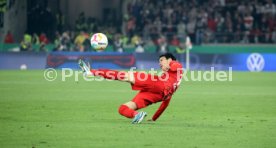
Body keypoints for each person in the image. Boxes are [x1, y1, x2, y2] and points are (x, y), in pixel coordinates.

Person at [78, 53, 183, 124]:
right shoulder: (175, 82)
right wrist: (154, 118)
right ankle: (137, 115)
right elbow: (165, 103)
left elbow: (176, 66)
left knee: (126, 76)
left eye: (162, 60)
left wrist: (169, 65)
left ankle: (91, 72)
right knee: (123, 108)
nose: (160, 63)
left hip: (158, 84)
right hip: (159, 95)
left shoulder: (175, 64)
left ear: (169, 59)